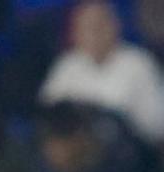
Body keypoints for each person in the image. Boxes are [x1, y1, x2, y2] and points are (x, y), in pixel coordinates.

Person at [38, 0, 164, 146]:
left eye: (99, 26)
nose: (94, 33)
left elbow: (157, 126)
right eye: (86, 27)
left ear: (116, 26)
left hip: (128, 153)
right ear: (75, 32)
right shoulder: (66, 66)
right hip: (77, 155)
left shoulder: (139, 64)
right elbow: (49, 115)